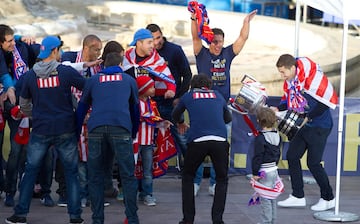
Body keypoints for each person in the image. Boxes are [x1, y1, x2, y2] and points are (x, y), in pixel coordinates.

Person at [5, 35, 85, 224]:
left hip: (40, 129)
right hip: (65, 128)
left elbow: (23, 104)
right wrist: (78, 112)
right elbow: (88, 88)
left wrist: (35, 115)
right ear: (55, 51)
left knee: (30, 171)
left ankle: (20, 215)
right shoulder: (66, 72)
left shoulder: (30, 76)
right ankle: (75, 217)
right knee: (71, 172)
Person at [189, 9, 257, 194]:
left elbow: (242, 39)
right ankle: (195, 183)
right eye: (215, 42)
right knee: (198, 146)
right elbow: (195, 35)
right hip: (202, 107)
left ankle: (213, 184)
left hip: (222, 107)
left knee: (220, 149)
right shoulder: (201, 52)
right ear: (209, 41)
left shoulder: (227, 53)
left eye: (220, 42)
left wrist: (246, 22)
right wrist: (194, 18)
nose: (218, 45)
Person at [76, 52, 140, 224]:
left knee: (95, 176)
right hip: (121, 128)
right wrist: (133, 132)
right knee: (127, 175)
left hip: (96, 128)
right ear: (120, 65)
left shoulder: (93, 80)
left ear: (103, 66)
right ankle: (132, 218)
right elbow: (135, 110)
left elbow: (81, 108)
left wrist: (76, 133)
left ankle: (97, 219)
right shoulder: (128, 81)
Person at [273, 54, 338, 211]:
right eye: (280, 72)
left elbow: (324, 104)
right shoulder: (292, 82)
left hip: (320, 126)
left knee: (313, 163)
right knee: (292, 156)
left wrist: (308, 117)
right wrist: (278, 108)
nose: (282, 76)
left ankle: (328, 198)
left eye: (283, 72)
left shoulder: (313, 79)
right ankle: (298, 196)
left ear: (293, 68)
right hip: (304, 126)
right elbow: (289, 100)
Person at [0, 24, 55, 207]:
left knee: (45, 152)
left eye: (11, 39)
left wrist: (23, 39)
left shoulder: (21, 46)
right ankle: (9, 191)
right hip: (12, 104)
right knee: (17, 150)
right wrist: (10, 88)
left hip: (29, 101)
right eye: (8, 41)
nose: (11, 44)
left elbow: (38, 56)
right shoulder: (3, 55)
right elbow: (4, 74)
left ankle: (43, 191)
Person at [172, 74, 232, 224]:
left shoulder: (189, 95)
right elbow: (228, 119)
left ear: (193, 85)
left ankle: (188, 219)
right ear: (209, 86)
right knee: (222, 179)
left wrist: (181, 122)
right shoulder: (217, 95)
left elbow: (175, 113)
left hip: (197, 140)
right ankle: (218, 220)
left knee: (188, 177)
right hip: (219, 140)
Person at [57, 34, 104, 207]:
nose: (99, 54)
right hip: (70, 118)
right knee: (69, 159)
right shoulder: (69, 58)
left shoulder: (99, 67)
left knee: (90, 159)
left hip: (91, 120)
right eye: (96, 50)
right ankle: (68, 194)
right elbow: (61, 68)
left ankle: (89, 195)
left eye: (100, 50)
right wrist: (85, 65)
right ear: (86, 48)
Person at [145, 23, 192, 170]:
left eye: (158, 37)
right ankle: (147, 173)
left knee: (182, 138)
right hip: (150, 102)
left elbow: (188, 75)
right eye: (153, 39)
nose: (157, 42)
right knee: (147, 140)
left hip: (171, 103)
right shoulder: (145, 52)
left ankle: (192, 174)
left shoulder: (174, 50)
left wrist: (180, 97)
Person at [135, 75, 172, 206]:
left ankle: (147, 194)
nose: (154, 89)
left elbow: (155, 120)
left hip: (148, 142)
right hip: (135, 142)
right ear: (143, 89)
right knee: (133, 170)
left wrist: (163, 123)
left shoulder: (152, 103)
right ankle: (132, 194)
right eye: (150, 87)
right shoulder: (133, 103)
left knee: (147, 170)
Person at [251, 106, 281, 224]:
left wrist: (255, 173)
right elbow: (278, 153)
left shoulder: (260, 138)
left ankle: (265, 221)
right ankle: (272, 220)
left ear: (258, 121)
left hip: (264, 171)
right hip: (274, 169)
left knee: (265, 197)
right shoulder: (277, 135)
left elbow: (257, 157)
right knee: (272, 196)